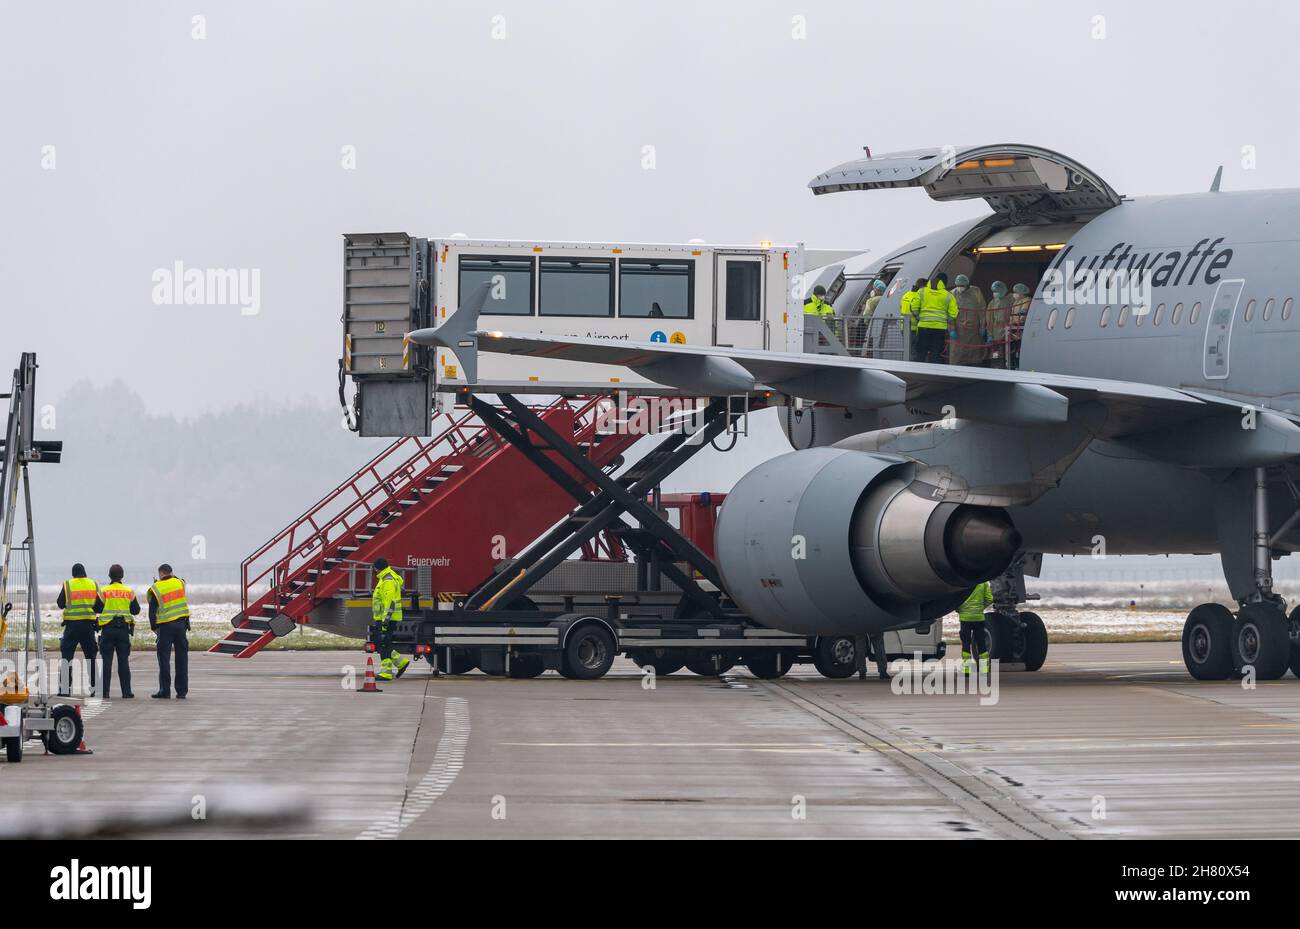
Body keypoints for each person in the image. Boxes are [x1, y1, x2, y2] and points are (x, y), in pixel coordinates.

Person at [94, 564, 138, 699]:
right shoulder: (129, 591)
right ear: (122, 576)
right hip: (123, 629)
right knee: (123, 661)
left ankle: (105, 692)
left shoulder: (104, 591)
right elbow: (136, 610)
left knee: (106, 661)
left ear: (109, 576)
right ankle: (126, 692)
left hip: (108, 629)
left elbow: (97, 608)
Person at [147, 564, 190, 699]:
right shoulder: (180, 583)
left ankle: (165, 690)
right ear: (171, 572)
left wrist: (154, 627)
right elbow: (178, 580)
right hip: (181, 625)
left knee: (164, 659)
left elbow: (152, 611)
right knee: (182, 659)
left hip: (165, 627)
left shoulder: (156, 588)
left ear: (160, 574)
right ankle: (182, 691)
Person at [56, 564, 98, 697]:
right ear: (85, 572)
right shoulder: (94, 584)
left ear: (73, 574)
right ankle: (95, 688)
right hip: (88, 626)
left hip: (72, 627)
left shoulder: (68, 584)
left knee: (66, 658)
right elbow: (100, 606)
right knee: (91, 658)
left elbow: (60, 603)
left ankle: (65, 690)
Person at [371, 558, 411, 681]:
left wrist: (385, 622)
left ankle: (386, 672)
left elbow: (390, 603)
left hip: (386, 618)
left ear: (377, 568)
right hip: (384, 618)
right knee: (383, 643)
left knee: (383, 643)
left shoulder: (387, 581)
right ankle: (400, 662)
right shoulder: (385, 578)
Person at [913, 273, 959, 365]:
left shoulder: (921, 291)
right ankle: (934, 375)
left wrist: (919, 317)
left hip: (923, 327)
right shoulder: (948, 295)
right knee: (936, 354)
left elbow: (914, 307)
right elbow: (954, 312)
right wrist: (947, 320)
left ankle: (918, 374)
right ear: (944, 282)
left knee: (921, 353)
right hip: (940, 328)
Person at [957, 580, 993, 676]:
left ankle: (967, 670)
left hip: (965, 619)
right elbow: (989, 599)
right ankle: (984, 670)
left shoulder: (963, 582)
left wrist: (960, 610)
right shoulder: (983, 583)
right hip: (978, 618)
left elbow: (956, 600)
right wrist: (980, 607)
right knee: (981, 644)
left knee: (966, 644)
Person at [949, 274, 987, 366]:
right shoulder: (952, 294)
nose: (960, 288)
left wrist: (982, 326)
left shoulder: (976, 292)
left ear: (967, 285)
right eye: (958, 286)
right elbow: (950, 313)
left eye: (962, 286)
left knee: (974, 351)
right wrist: (951, 329)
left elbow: (981, 309)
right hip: (958, 329)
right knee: (957, 352)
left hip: (974, 328)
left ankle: (975, 365)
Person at [983, 281, 1015, 368]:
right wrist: (989, 335)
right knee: (996, 354)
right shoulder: (992, 303)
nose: (995, 294)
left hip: (1008, 332)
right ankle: (996, 368)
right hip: (996, 334)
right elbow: (989, 320)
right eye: (994, 292)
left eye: (996, 291)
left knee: (1009, 353)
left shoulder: (1011, 299)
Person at [899, 277, 928, 360]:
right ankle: (913, 370)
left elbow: (901, 308)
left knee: (907, 350)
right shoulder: (918, 296)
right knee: (914, 352)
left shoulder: (906, 295)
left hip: (904, 327)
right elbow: (916, 312)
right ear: (923, 287)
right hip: (914, 328)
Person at [1008, 283, 1032, 369]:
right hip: (1014, 330)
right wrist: (1011, 323)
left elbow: (1023, 315)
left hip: (1021, 330)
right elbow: (1012, 315)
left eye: (1016, 292)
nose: (1015, 294)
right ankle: (1014, 365)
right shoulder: (1016, 302)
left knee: (1020, 350)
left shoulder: (1027, 301)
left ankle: (1019, 365)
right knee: (1014, 350)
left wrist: (1016, 323)